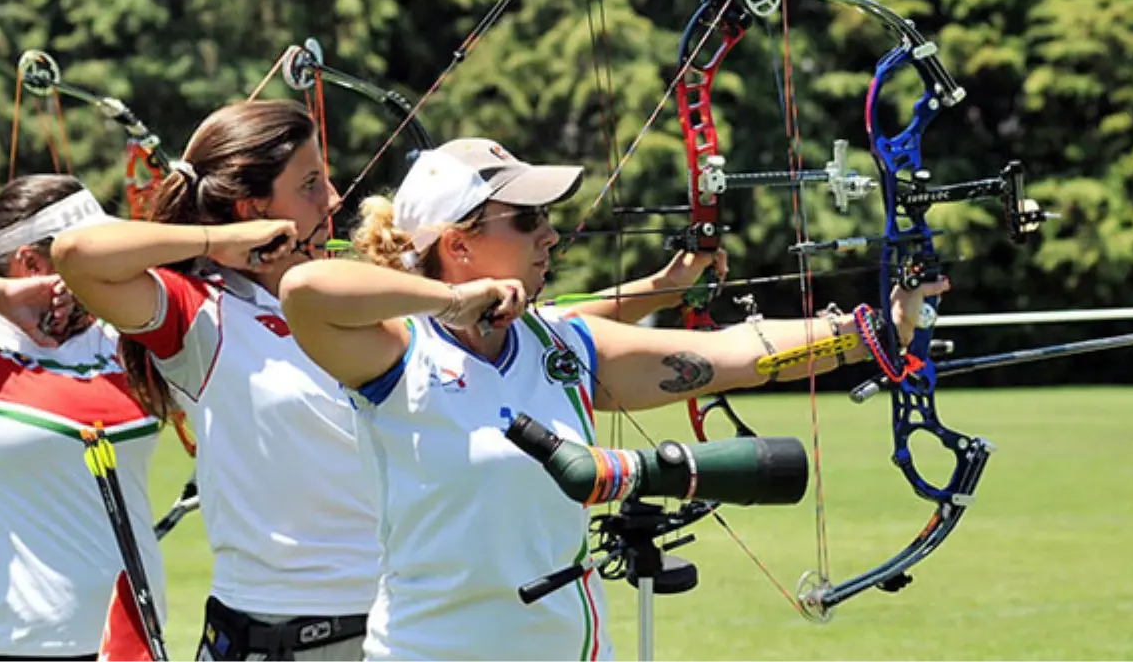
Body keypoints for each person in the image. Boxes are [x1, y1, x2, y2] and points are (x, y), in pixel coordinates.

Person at [49, 101, 727, 662]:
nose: (335, 198)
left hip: (388, 631)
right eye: (310, 183)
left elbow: (539, 328)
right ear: (252, 205)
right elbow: (77, 255)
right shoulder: (205, 317)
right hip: (271, 639)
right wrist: (215, 245)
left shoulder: (368, 303)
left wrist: (660, 289)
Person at [275, 137, 951, 661]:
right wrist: (456, 301)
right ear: (458, 244)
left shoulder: (564, 346)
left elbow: (734, 357)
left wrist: (875, 330)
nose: (550, 234)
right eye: (528, 218)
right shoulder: (396, 352)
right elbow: (304, 291)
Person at [0, 174, 164, 660]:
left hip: (134, 638)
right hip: (15, 643)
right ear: (32, 262)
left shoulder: (119, 335)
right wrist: (2, 297)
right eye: (92, 255)